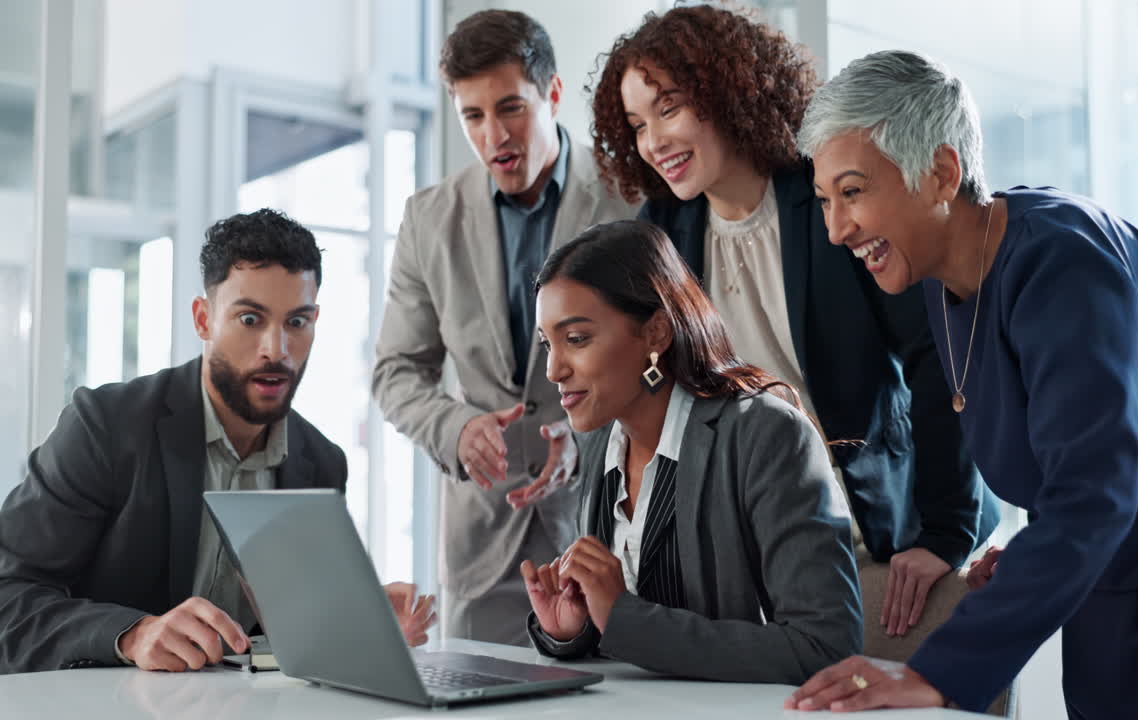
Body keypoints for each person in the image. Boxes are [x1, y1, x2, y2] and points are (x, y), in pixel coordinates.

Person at [788, 50, 1138, 718]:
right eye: (824, 201)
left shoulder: (1065, 259)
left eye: (852, 193)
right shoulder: (941, 280)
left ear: (940, 173)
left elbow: (1095, 489)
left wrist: (938, 672)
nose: (836, 229)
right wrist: (1028, 550)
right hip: (1117, 558)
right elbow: (1069, 456)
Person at [589, 4, 996, 637]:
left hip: (874, 524)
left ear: (727, 91)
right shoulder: (660, 235)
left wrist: (948, 531)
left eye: (669, 109)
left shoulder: (832, 197)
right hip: (747, 542)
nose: (653, 143)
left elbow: (936, 357)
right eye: (638, 125)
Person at [0, 209, 434, 674]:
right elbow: (8, 597)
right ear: (203, 319)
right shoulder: (106, 426)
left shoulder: (322, 463)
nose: (277, 349)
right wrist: (130, 634)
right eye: (250, 319)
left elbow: (291, 643)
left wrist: (356, 627)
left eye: (297, 322)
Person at [373, 10, 637, 646]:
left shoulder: (630, 198)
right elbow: (395, 373)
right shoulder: (428, 220)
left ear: (551, 93)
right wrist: (457, 428)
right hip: (482, 546)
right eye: (472, 116)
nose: (494, 135)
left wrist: (585, 443)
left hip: (607, 535)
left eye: (510, 108)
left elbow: (665, 356)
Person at [519, 220, 861, 684]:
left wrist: (621, 616)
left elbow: (825, 648)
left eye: (576, 339)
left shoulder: (767, 435)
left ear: (656, 332)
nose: (554, 369)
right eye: (547, 343)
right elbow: (620, 635)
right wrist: (574, 629)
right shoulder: (601, 439)